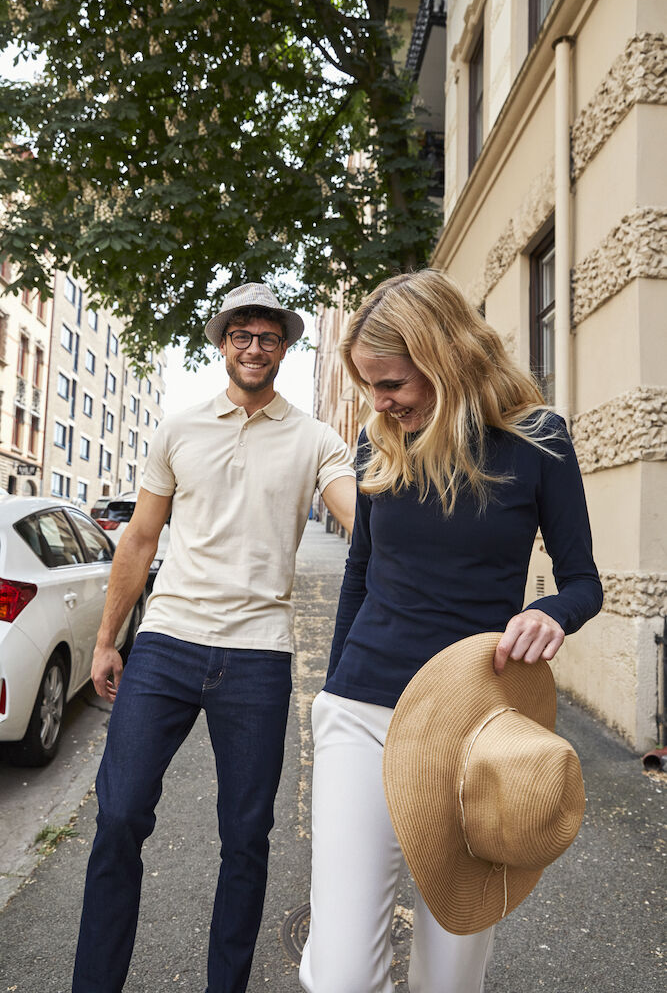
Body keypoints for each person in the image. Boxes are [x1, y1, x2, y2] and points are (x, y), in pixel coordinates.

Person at [299, 269, 603, 993]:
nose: (379, 402)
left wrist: (548, 614)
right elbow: (359, 574)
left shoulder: (538, 440)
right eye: (369, 385)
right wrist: (327, 693)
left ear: (444, 358)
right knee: (341, 974)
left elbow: (584, 583)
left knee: (452, 972)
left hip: (477, 728)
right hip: (362, 711)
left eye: (393, 383)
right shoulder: (379, 445)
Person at [72, 282, 356, 993]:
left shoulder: (316, 437)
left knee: (245, 839)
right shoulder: (179, 428)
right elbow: (138, 539)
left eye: (267, 337)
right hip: (167, 641)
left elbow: (358, 517)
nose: (253, 347)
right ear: (221, 342)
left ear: (285, 348)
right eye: (241, 334)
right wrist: (109, 640)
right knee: (118, 818)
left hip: (259, 654)